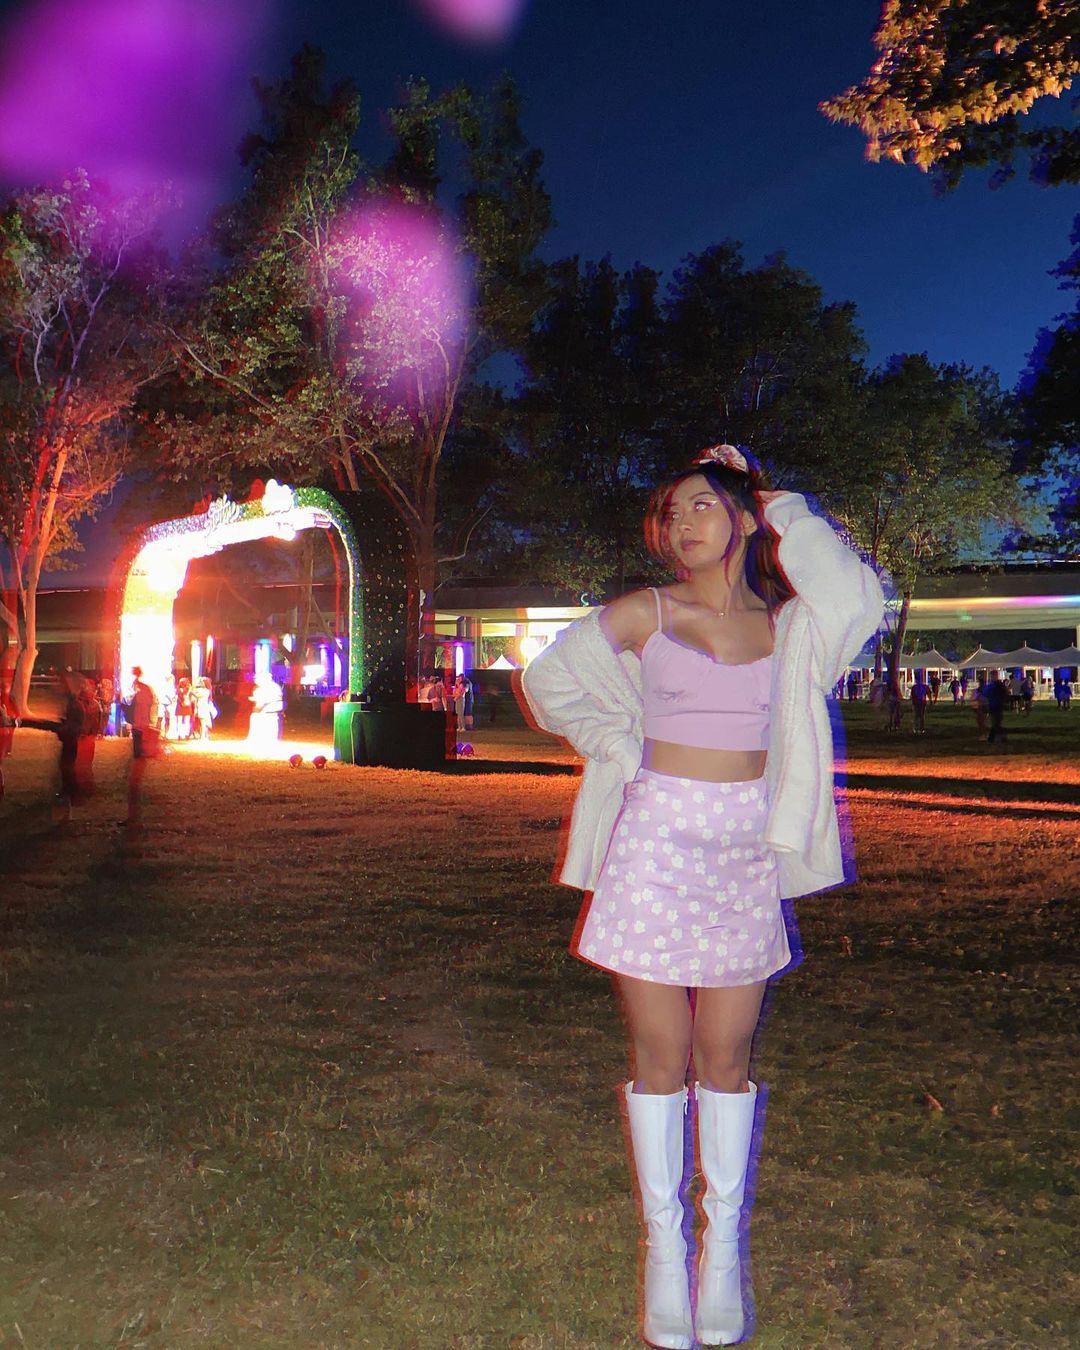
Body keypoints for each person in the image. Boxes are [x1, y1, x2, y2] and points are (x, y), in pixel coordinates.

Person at [521, 443, 884, 1348]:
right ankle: (664, 1253)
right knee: (661, 1058)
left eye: (702, 506)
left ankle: (720, 1255)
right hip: (654, 844)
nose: (681, 523)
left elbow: (858, 598)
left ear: (744, 519)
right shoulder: (648, 610)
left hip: (743, 853)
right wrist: (621, 745)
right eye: (671, 512)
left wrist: (779, 500)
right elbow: (548, 679)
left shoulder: (793, 628)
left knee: (724, 1061)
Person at [125, 666, 160, 827]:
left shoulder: (141, 692)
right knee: (136, 766)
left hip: (140, 729)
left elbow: (134, 710)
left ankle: (134, 817)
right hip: (141, 728)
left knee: (136, 772)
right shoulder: (145, 691)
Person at [985, 674, 1008, 744]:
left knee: (995, 722)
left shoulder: (991, 687)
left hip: (993, 706)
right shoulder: (999, 687)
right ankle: (997, 738)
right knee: (997, 722)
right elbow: (1005, 695)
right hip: (998, 706)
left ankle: (993, 738)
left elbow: (986, 694)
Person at [193, 676, 216, 740]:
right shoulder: (207, 691)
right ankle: (205, 736)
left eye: (202, 682)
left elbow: (195, 696)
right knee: (204, 723)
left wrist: (192, 691)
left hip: (202, 707)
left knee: (203, 723)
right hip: (204, 707)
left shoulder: (204, 691)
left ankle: (203, 736)